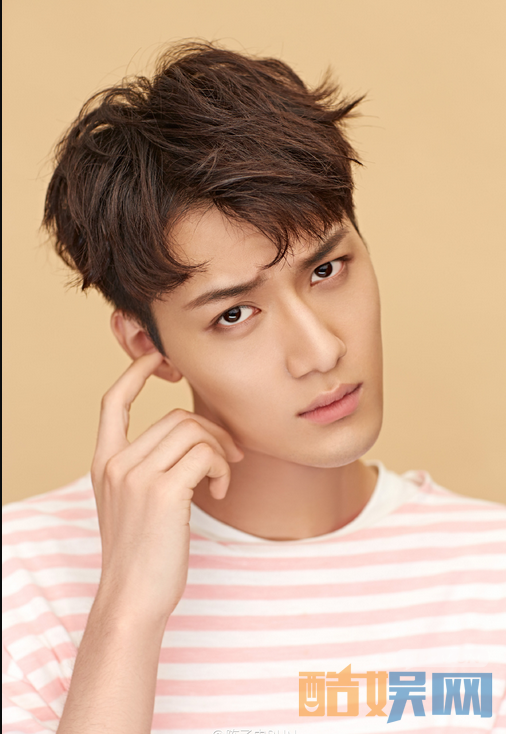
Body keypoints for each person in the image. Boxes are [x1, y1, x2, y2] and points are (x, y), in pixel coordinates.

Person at [2, 41, 505, 734]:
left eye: (326, 270)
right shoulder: (23, 578)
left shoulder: (492, 573)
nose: (321, 350)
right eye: (235, 314)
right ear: (149, 345)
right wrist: (125, 611)